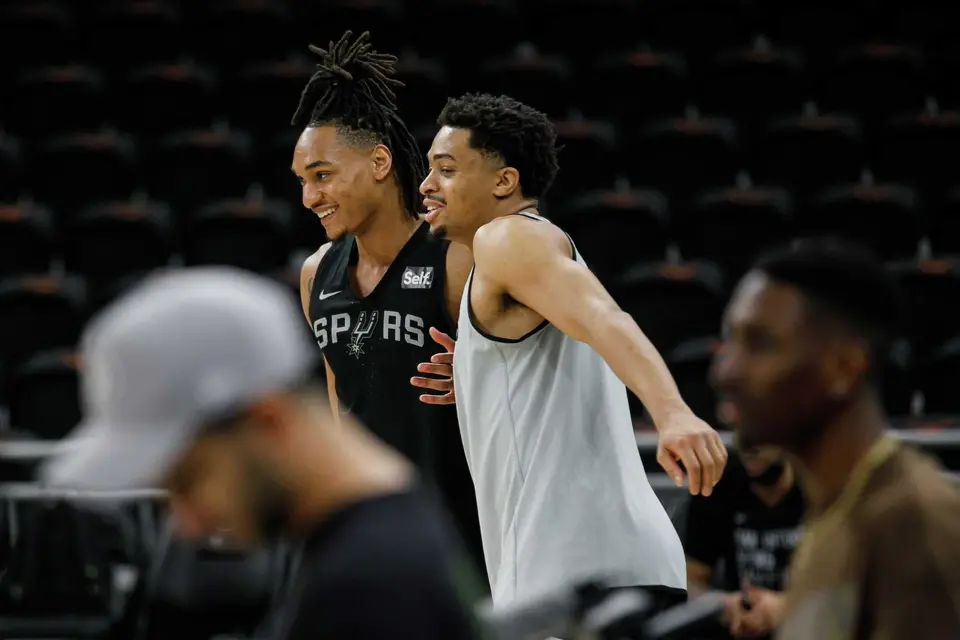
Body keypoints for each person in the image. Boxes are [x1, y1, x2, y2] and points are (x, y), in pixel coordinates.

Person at [40, 268, 489, 640]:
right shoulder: (377, 547)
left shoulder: (369, 589)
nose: (184, 523)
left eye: (189, 480)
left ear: (268, 422)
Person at [416, 93, 728, 609]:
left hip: (581, 575)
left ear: (504, 182)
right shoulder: (518, 254)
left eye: (446, 170)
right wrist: (476, 371)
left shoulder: (507, 237)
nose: (427, 186)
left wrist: (672, 413)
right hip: (605, 567)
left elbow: (607, 320)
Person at [289, 31, 482, 579]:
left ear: (378, 163)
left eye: (322, 175)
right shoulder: (315, 275)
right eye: (303, 181)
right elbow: (339, 404)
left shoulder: (457, 257)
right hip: (371, 541)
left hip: (464, 536)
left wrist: (479, 372)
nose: (309, 197)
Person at [711, 239, 960, 639]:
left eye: (760, 344)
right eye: (731, 342)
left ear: (845, 366)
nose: (725, 372)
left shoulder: (911, 523)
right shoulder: (837, 510)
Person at [683, 438, 804, 639]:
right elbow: (691, 578)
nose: (750, 446)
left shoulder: (818, 485)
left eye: (762, 432)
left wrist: (787, 606)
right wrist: (724, 604)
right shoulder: (719, 484)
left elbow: (848, 585)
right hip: (740, 623)